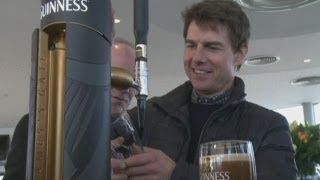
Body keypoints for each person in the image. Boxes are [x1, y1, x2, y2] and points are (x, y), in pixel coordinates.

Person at [112, 0, 297, 179]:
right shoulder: (147, 115)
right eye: (191, 45)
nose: (197, 57)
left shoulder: (269, 127)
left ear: (240, 54)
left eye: (212, 47)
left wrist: (176, 175)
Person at [3, 37, 136, 180]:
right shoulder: (39, 125)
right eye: (117, 74)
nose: (126, 87)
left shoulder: (133, 132)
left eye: (133, 79)